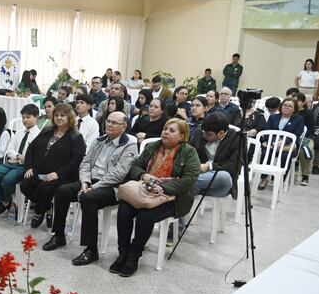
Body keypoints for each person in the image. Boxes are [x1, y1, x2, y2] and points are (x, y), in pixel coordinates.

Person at [42, 111, 137, 264]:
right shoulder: (99, 140)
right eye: (108, 121)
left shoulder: (129, 145)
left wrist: (94, 187)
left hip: (112, 187)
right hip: (90, 182)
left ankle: (91, 249)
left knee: (87, 198)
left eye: (114, 123)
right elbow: (85, 163)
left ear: (124, 126)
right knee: (62, 190)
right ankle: (59, 235)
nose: (109, 125)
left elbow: (118, 174)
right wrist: (85, 182)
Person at [113, 118, 200, 277]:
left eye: (172, 130)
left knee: (145, 215)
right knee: (124, 209)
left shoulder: (189, 152)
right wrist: (144, 175)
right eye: (165, 128)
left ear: (181, 137)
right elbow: (135, 166)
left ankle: (134, 255)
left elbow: (190, 179)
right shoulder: (153, 147)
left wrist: (162, 187)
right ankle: (123, 252)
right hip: (145, 191)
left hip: (172, 197)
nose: (166, 132)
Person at [20, 103, 86, 228]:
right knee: (25, 185)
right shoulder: (47, 131)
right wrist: (29, 167)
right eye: (56, 115)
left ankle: (39, 212)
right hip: (40, 171)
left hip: (62, 175)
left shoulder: (76, 137)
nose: (59, 118)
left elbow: (76, 160)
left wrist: (57, 174)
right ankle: (46, 206)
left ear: (69, 118)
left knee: (46, 189)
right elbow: (31, 148)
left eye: (62, 115)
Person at [0, 104, 41, 215]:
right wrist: (18, 156)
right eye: (23, 117)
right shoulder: (19, 133)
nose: (25, 120)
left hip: (25, 166)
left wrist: (22, 159)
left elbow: (35, 156)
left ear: (36, 117)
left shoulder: (39, 136)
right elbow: (9, 150)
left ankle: (8, 200)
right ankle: (5, 200)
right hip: (12, 162)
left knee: (8, 180)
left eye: (28, 117)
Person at [189, 112, 241, 199]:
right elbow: (189, 152)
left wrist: (209, 166)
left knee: (224, 177)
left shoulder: (237, 138)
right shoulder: (200, 132)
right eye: (203, 132)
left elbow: (234, 166)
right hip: (199, 175)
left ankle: (183, 183)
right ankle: (188, 185)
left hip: (219, 184)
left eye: (208, 134)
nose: (204, 136)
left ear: (221, 133)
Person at [258, 98, 305, 190]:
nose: (286, 107)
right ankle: (264, 178)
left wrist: (282, 142)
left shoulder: (299, 119)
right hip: (272, 144)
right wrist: (273, 143)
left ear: (294, 109)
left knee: (284, 156)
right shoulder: (273, 117)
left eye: (290, 106)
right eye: (284, 105)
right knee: (265, 153)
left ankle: (280, 179)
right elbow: (267, 131)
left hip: (288, 146)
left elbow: (296, 134)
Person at [293, 92, 316, 186]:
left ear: (303, 102)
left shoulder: (308, 114)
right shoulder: (291, 112)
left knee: (305, 150)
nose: (295, 102)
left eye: (297, 100)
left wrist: (301, 138)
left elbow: (311, 130)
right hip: (292, 138)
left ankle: (305, 176)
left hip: (306, 138)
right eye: (294, 100)